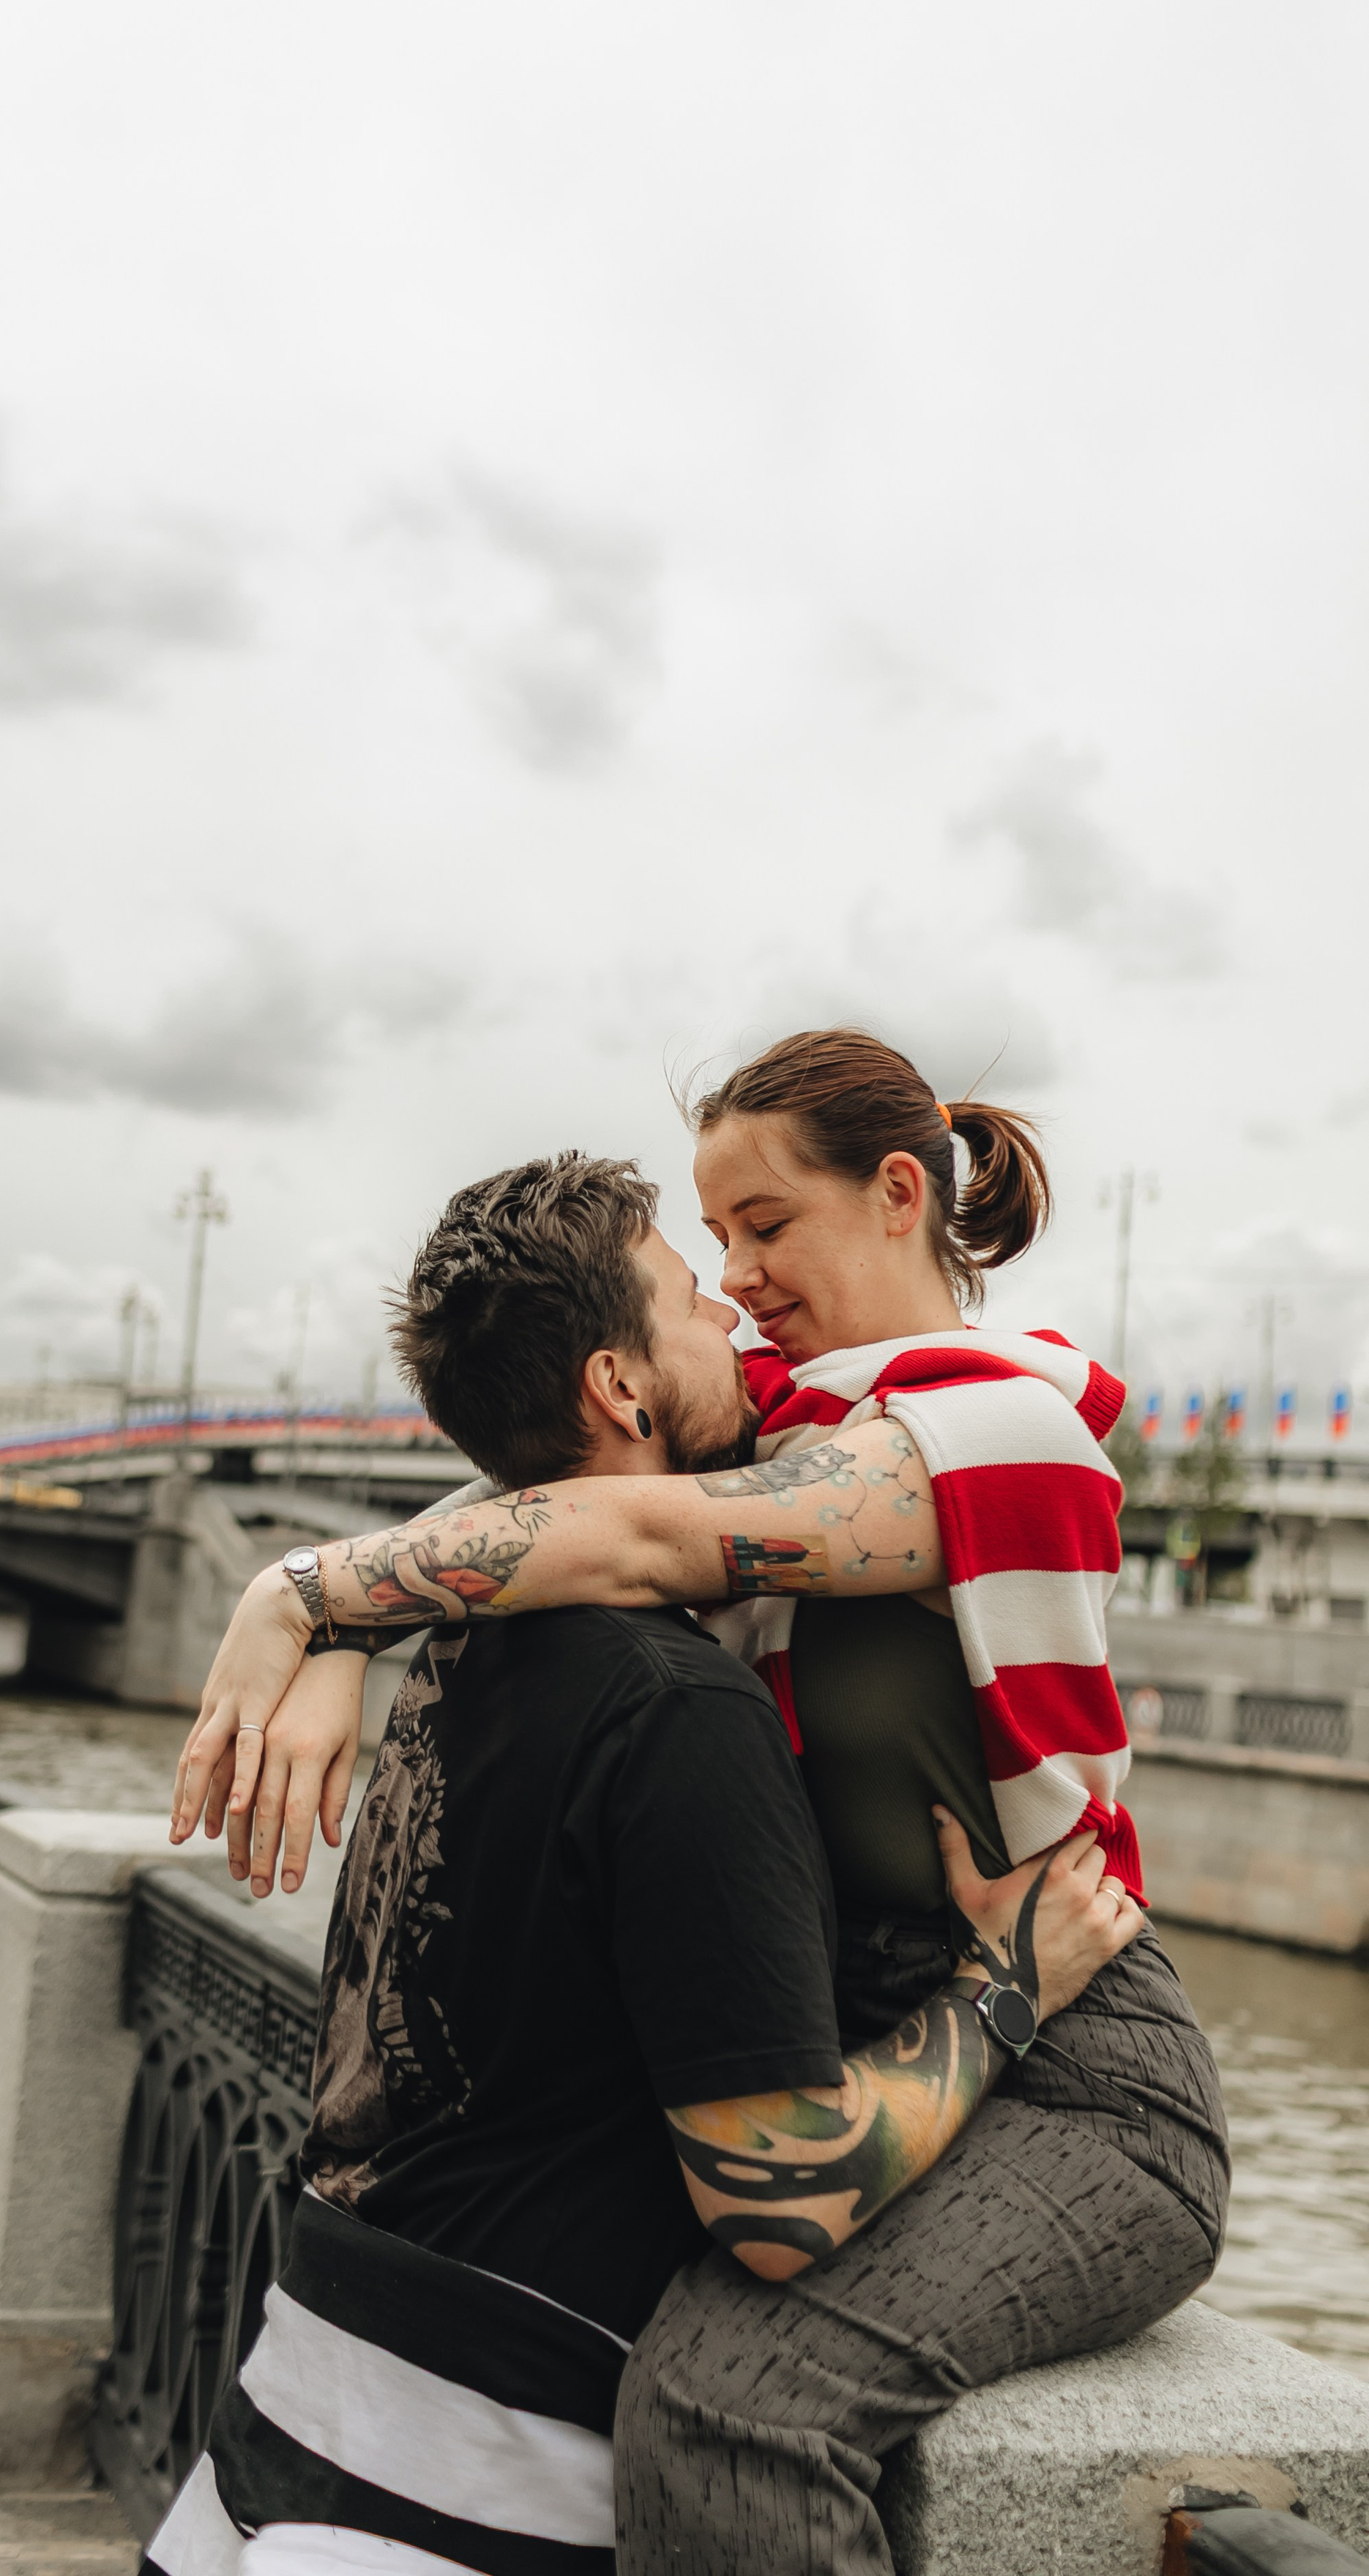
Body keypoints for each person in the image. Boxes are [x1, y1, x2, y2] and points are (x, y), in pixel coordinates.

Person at [171, 1038, 1229, 2574]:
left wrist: (303, 1593)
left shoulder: (1001, 1424)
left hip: (1069, 2060)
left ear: (891, 1196)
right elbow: (538, 1487)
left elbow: (650, 1532)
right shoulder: (788, 1417)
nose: (734, 1275)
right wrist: (340, 1631)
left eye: (764, 1224)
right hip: (864, 2022)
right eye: (713, 1240)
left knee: (729, 2407)